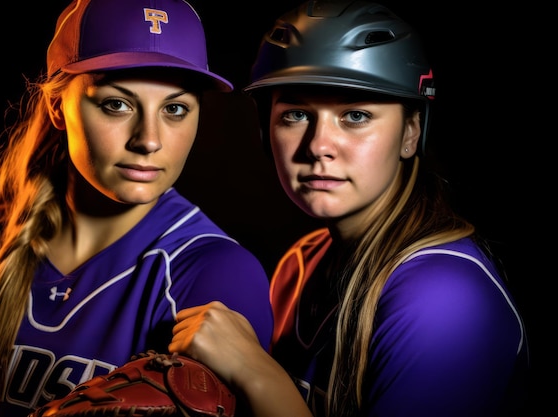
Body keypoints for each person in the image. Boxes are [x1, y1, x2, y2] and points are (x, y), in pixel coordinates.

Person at [168, 1, 530, 416]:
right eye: (297, 115)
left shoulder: (446, 297)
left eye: (355, 115)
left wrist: (256, 372)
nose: (319, 146)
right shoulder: (300, 264)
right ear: (265, 130)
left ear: (411, 132)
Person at [0, 0, 274, 416]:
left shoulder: (215, 272)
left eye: (175, 109)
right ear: (58, 107)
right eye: (118, 104)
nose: (149, 140)